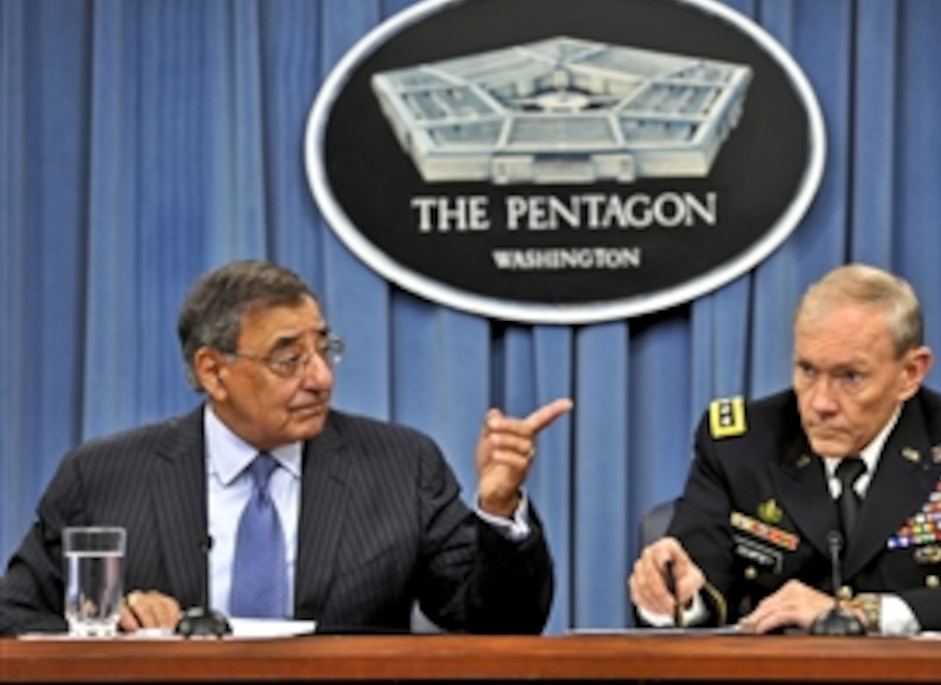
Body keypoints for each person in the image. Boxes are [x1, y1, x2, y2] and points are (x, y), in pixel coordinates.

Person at [0, 259, 571, 635]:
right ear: (213, 371)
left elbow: (498, 624)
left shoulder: (401, 465)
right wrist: (120, 626)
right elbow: (14, 618)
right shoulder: (103, 477)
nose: (320, 377)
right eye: (288, 359)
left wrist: (498, 510)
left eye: (324, 350)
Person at [628, 263, 941, 635]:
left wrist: (865, 616)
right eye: (806, 370)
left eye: (850, 377)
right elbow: (698, 588)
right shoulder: (741, 445)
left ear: (910, 373)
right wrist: (673, 596)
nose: (820, 402)